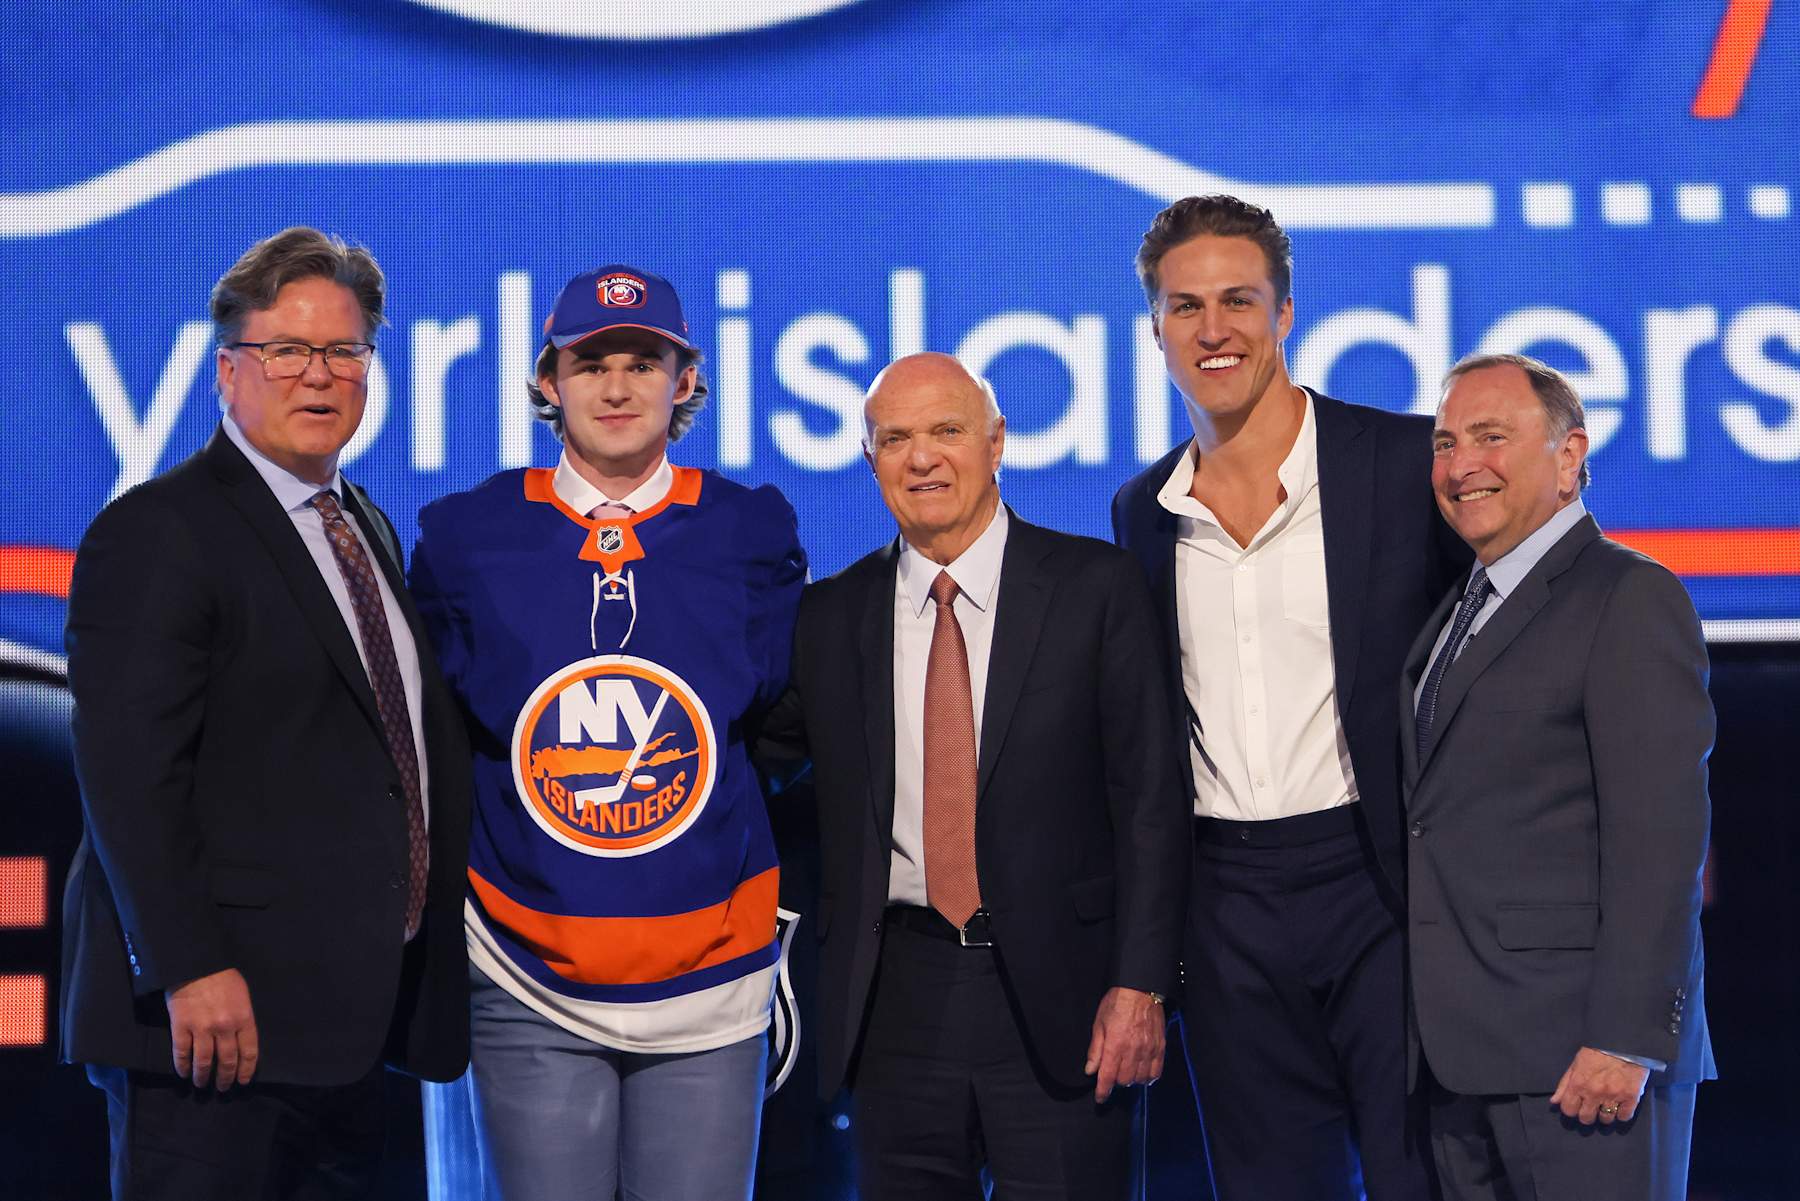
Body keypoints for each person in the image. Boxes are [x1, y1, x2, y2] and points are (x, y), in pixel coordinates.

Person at [61, 227, 473, 1200]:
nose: (318, 375)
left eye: (345, 351)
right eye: (286, 350)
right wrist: (188, 965)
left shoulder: (362, 525)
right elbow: (128, 771)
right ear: (227, 372)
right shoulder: (160, 528)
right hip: (211, 1036)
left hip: (341, 1035)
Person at [408, 265, 805, 1201]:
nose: (617, 386)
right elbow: (439, 735)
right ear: (549, 381)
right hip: (525, 968)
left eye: (643, 360)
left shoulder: (749, 530)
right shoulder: (469, 538)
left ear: (687, 380)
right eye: (591, 363)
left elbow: (781, 717)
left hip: (714, 973)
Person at [761, 352, 1189, 1200]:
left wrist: (1141, 983)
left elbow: (1151, 800)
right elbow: (743, 765)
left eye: (946, 431)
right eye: (896, 439)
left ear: (997, 442)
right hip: (894, 1001)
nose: (922, 458)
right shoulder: (830, 617)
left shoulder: (1095, 587)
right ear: (870, 459)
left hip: (1068, 997)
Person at [1111, 194, 1468, 1200]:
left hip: (1384, 886)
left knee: (1424, 1177)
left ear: (1285, 314)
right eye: (1187, 307)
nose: (1213, 329)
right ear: (1157, 328)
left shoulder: (1402, 462)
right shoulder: (1143, 512)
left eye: (1238, 301)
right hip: (1226, 907)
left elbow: (1517, 646)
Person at [1405, 352, 1714, 1198]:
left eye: (1491, 436)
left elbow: (1661, 844)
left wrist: (1627, 1038)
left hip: (1585, 1061)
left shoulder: (1629, 596)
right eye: (1444, 441)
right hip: (1465, 1059)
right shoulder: (1456, 609)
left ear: (1570, 455)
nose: (1460, 463)